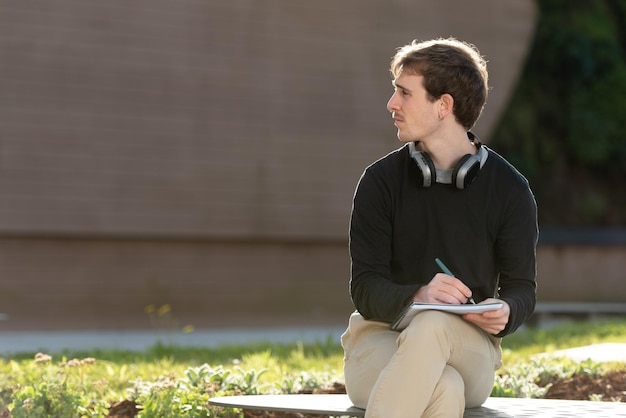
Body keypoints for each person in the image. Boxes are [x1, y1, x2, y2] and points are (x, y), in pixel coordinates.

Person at [341, 38, 538, 417]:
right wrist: (419, 294)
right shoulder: (379, 183)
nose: (391, 104)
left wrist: (505, 311)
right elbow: (364, 288)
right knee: (444, 389)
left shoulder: (510, 190)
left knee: (433, 326)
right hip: (379, 343)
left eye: (404, 93)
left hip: (469, 351)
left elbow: (521, 290)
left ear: (443, 105)